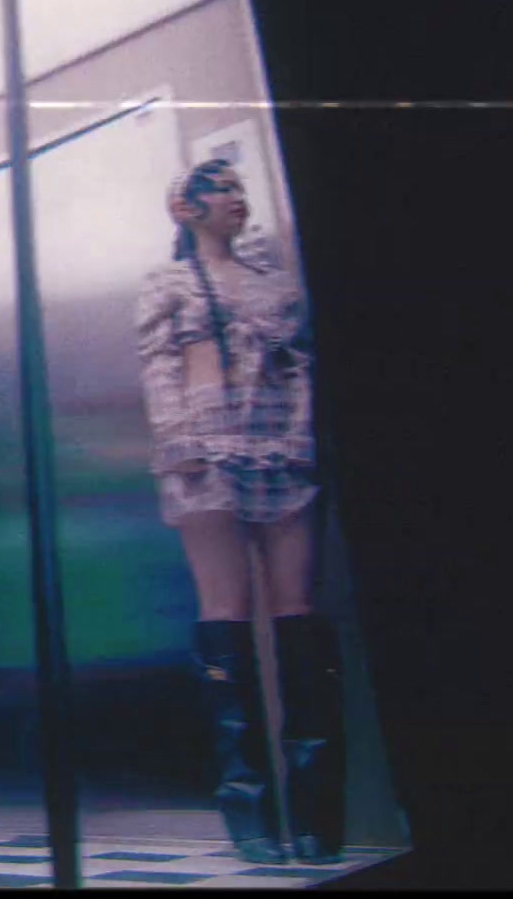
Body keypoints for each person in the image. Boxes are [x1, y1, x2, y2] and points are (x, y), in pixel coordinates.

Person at [133, 158, 345, 865]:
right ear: (185, 207)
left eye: (240, 191)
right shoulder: (166, 282)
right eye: (221, 190)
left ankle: (316, 815)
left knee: (297, 608)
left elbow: (302, 365)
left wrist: (301, 439)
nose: (235, 200)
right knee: (223, 609)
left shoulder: (274, 282)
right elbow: (157, 363)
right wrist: (177, 441)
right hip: (204, 446)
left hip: (279, 444)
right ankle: (249, 814)